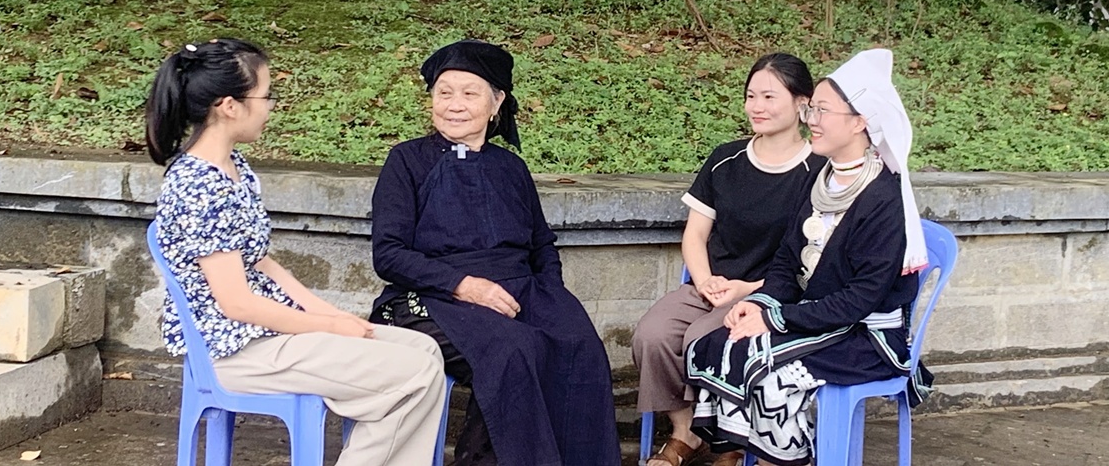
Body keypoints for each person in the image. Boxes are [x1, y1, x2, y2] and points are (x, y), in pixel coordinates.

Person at [147, 38, 447, 466]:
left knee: (424, 350)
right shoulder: (199, 185)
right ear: (229, 106)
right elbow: (237, 304)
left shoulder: (234, 168)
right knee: (413, 375)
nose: (271, 107)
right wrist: (324, 327)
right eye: (265, 96)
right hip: (235, 350)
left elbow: (263, 263)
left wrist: (334, 317)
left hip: (267, 334)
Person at [369, 39, 621, 466]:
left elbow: (541, 244)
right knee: (511, 352)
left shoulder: (511, 167)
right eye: (444, 93)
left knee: (580, 346)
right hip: (433, 296)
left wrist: (551, 295)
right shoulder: (407, 161)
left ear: (496, 102)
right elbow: (389, 254)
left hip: (519, 290)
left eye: (469, 93)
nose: (454, 105)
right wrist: (463, 285)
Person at [684, 49, 931, 466]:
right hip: (817, 317)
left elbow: (860, 299)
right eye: (811, 108)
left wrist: (777, 319)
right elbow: (786, 260)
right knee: (722, 343)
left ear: (859, 121)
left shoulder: (883, 199)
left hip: (865, 335)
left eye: (822, 110)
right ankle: (735, 455)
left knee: (769, 373)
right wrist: (760, 303)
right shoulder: (820, 177)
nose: (811, 119)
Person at [633, 54, 826, 466]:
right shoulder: (726, 159)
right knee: (652, 335)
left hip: (768, 295)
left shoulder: (818, 172)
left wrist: (748, 289)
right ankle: (686, 431)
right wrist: (705, 281)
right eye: (751, 96)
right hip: (712, 284)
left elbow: (813, 259)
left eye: (769, 96)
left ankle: (730, 442)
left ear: (801, 102)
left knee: (703, 339)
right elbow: (695, 234)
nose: (757, 106)